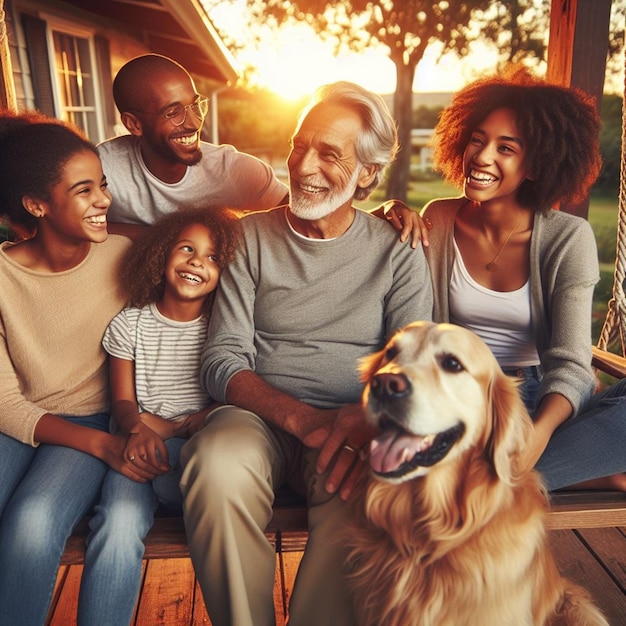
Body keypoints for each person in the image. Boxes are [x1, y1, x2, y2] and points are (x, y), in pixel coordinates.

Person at [179, 80, 433, 626]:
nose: (304, 165)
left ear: (366, 174)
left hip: (352, 424)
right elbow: (222, 359)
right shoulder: (247, 239)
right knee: (215, 464)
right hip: (257, 419)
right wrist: (302, 418)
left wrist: (358, 419)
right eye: (300, 146)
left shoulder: (399, 251)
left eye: (330, 154)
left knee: (370, 487)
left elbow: (411, 369)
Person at [422, 66, 626, 492]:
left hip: (535, 395)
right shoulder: (438, 219)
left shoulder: (567, 238)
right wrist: (389, 211)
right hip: (457, 394)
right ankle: (570, 475)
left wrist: (539, 434)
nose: (482, 157)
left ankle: (507, 475)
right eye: (477, 139)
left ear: (535, 165)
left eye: (505, 148)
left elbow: (571, 364)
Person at [0, 114, 163, 625]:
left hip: (94, 419)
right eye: (84, 190)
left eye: (104, 186)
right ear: (36, 204)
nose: (103, 201)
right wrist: (105, 447)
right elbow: (5, 403)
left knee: (32, 520)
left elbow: (208, 241)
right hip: (16, 420)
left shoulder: (123, 256)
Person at [98, 53, 428, 247]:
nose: (194, 121)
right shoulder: (103, 168)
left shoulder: (236, 171)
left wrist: (383, 214)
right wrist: (160, 237)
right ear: (134, 124)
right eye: (173, 112)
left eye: (195, 105)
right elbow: (56, 225)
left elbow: (312, 218)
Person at [103, 208, 240, 508]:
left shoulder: (222, 329)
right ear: (162, 254)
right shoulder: (129, 325)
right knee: (117, 516)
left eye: (213, 257)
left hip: (197, 441)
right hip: (137, 436)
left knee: (175, 478)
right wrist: (137, 429)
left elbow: (232, 400)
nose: (196, 261)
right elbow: (123, 402)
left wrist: (178, 428)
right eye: (187, 248)